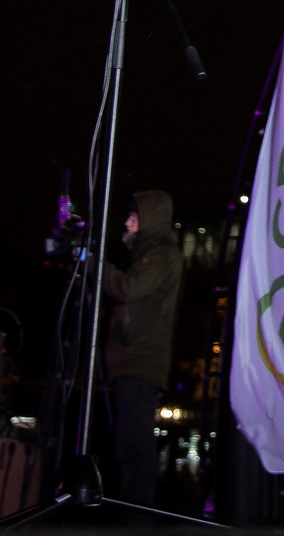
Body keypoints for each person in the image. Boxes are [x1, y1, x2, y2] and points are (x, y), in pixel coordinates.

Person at [102, 188, 183, 507]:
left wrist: (98, 267)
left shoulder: (160, 253)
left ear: (148, 219)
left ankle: (136, 517)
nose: (127, 223)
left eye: (134, 217)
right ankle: (132, 512)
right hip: (131, 362)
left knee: (134, 448)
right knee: (128, 445)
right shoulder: (148, 251)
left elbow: (128, 287)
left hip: (139, 362)